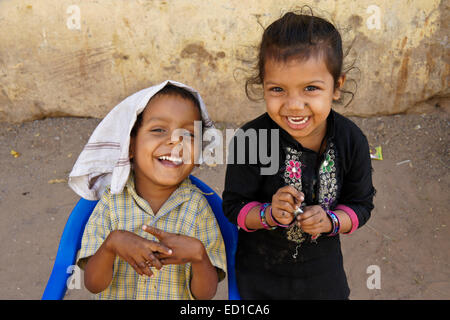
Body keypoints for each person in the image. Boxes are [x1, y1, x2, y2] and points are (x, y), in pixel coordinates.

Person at [222, 11, 376, 299]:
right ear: (263, 85)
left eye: (311, 88)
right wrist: (268, 213)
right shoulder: (250, 139)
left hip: (323, 278)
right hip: (260, 277)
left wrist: (331, 221)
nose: (294, 105)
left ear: (337, 86)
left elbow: (361, 205)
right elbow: (233, 208)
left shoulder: (351, 141)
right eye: (277, 89)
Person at [70, 80, 226, 300]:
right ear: (130, 145)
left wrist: (199, 256)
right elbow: (93, 285)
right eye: (159, 130)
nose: (175, 142)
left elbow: (205, 296)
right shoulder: (111, 203)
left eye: (189, 134)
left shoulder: (197, 208)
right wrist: (112, 245)